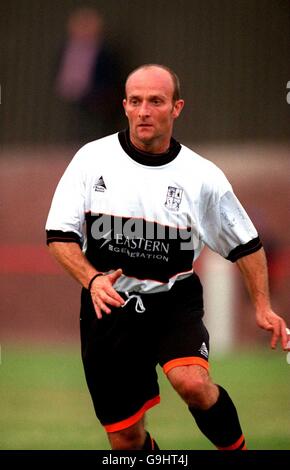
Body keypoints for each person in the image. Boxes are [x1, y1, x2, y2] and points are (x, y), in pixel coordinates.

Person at [46, 64, 289, 450]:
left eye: (156, 101)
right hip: (109, 308)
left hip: (173, 302)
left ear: (176, 108)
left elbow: (246, 244)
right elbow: (59, 236)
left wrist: (262, 306)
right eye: (136, 101)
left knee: (192, 382)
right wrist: (92, 280)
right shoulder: (90, 161)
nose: (144, 110)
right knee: (126, 438)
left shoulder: (201, 176)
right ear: (124, 106)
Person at [54, 7, 122, 143]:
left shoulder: (106, 50)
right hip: (75, 92)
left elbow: (111, 73)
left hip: (100, 95)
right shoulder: (67, 48)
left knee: (97, 126)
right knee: (79, 124)